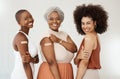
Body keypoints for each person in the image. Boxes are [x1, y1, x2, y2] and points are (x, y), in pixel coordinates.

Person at [37, 7, 77, 79]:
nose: (55, 21)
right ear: (47, 20)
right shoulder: (47, 36)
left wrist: (58, 40)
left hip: (67, 71)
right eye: (51, 19)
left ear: (61, 20)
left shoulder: (64, 34)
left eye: (58, 19)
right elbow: (51, 62)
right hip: (52, 74)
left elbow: (74, 49)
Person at [73, 4, 108, 79]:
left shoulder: (89, 37)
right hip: (93, 74)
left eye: (88, 23)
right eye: (83, 23)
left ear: (95, 23)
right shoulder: (95, 36)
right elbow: (76, 62)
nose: (85, 26)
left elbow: (84, 63)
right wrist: (78, 56)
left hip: (86, 74)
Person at [11, 9, 39, 79]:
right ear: (19, 23)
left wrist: (32, 59)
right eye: (26, 18)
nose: (30, 20)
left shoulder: (27, 37)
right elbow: (25, 63)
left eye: (30, 17)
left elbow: (36, 59)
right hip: (21, 76)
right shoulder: (21, 37)